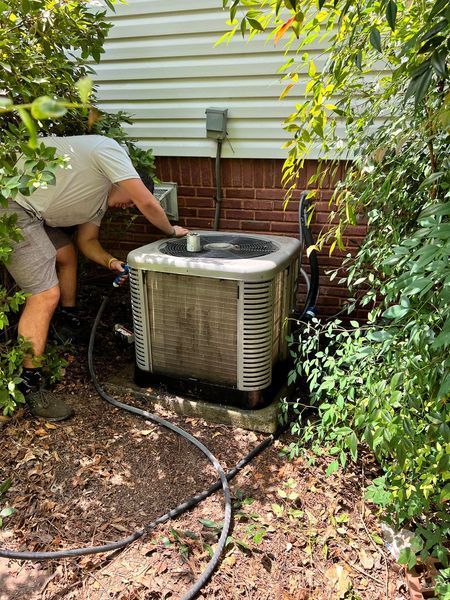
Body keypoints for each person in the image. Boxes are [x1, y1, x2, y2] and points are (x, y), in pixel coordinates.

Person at [1, 135, 189, 421]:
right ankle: (31, 387)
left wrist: (112, 262)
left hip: (32, 213)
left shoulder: (98, 204)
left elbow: (87, 242)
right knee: (44, 294)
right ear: (125, 181)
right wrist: (170, 231)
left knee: (66, 255)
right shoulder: (108, 149)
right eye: (130, 203)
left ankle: (67, 320)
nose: (127, 208)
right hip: (11, 202)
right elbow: (148, 203)